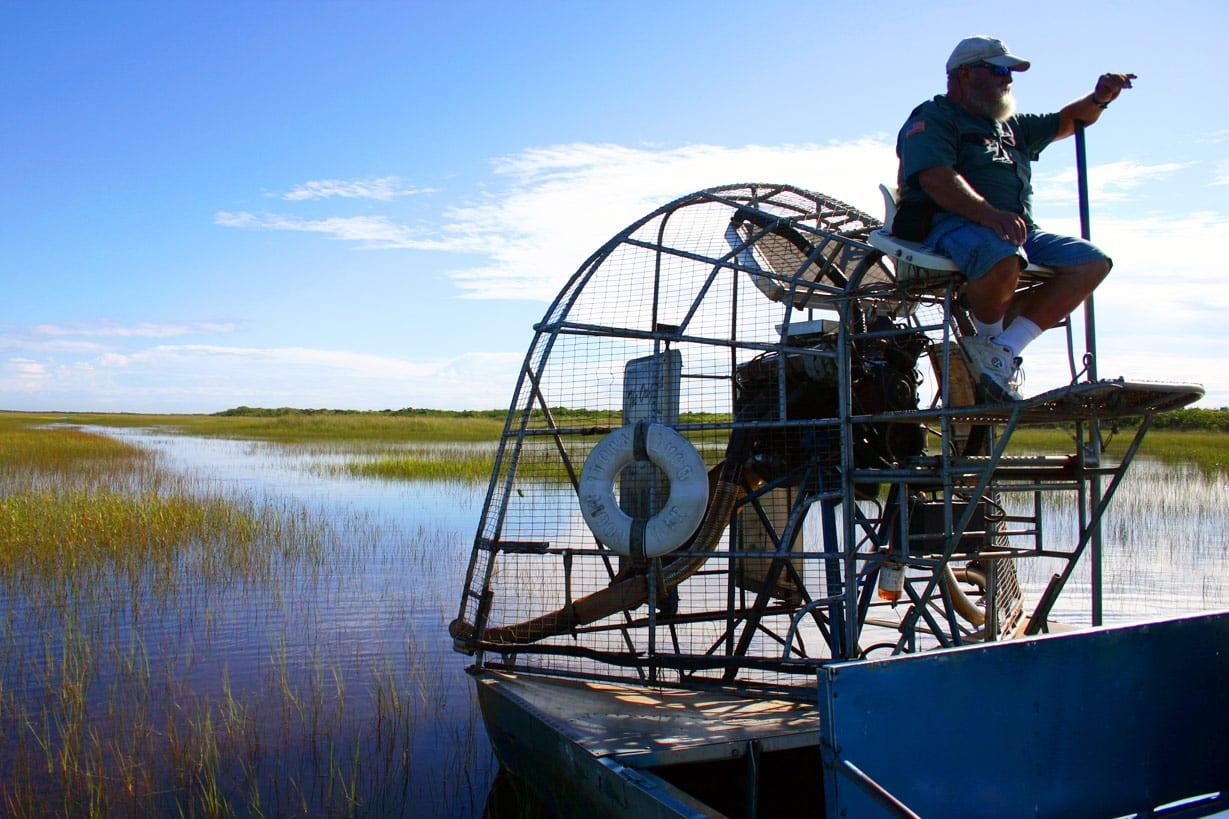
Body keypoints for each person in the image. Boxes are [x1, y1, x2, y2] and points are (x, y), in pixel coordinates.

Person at [894, 34, 1134, 401]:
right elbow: (936, 177)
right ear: (964, 75)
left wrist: (1100, 98)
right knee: (1004, 254)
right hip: (949, 224)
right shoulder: (934, 118)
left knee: (1092, 262)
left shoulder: (1010, 125)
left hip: (1018, 230)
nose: (1008, 79)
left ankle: (1000, 351)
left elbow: (1069, 121)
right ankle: (989, 346)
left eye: (1009, 72)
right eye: (998, 70)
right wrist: (989, 215)